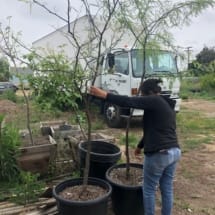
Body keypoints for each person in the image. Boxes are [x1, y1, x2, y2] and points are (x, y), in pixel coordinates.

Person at [90, 78, 181, 215]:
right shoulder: (167, 106)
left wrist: (105, 95)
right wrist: (139, 146)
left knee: (149, 189)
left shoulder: (154, 100)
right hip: (174, 151)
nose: (142, 98)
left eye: (142, 95)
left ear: (148, 93)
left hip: (160, 153)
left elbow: (128, 101)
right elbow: (153, 130)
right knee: (166, 187)